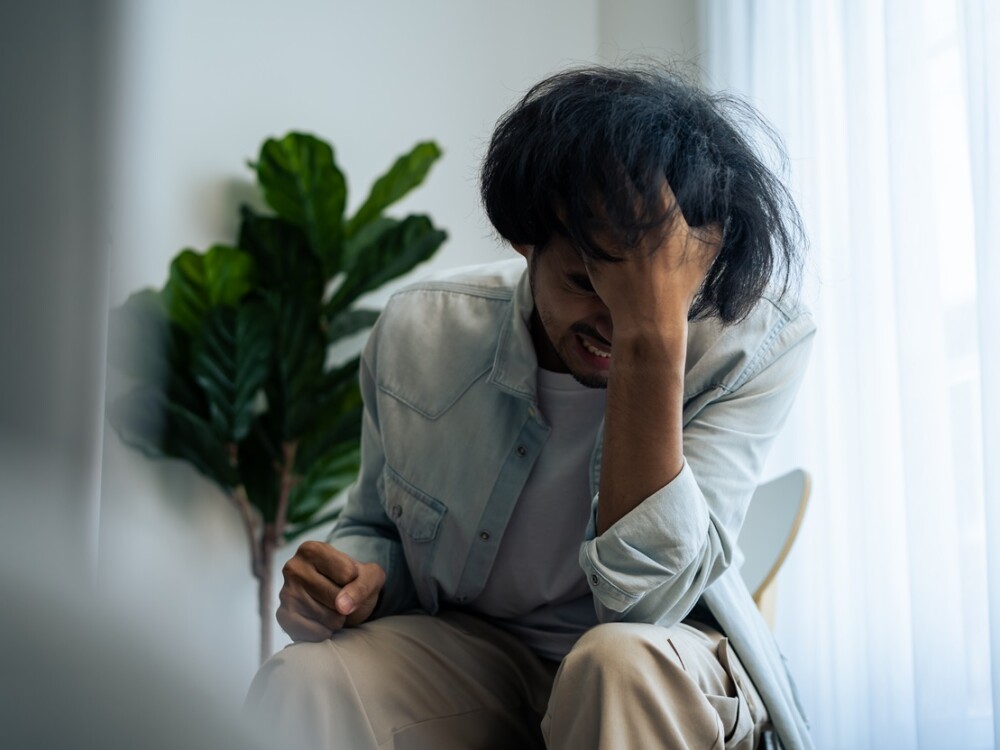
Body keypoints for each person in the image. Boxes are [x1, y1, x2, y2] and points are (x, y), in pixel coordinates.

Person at [246, 65, 816, 750]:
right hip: (477, 657)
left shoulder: (755, 344)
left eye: (663, 296)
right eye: (585, 281)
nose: (615, 319)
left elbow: (647, 603)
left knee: (615, 664)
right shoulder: (422, 331)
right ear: (525, 239)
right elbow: (376, 526)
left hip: (661, 658)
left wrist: (654, 336)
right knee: (308, 677)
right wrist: (348, 579)